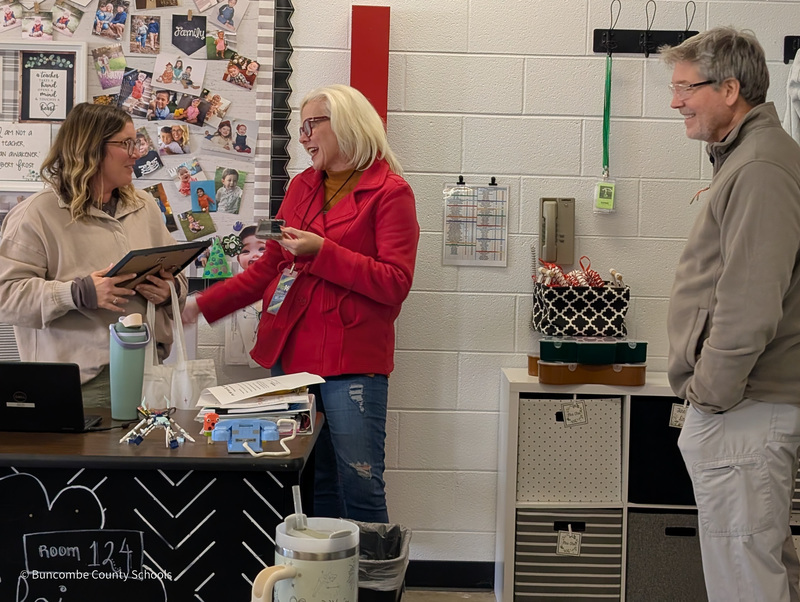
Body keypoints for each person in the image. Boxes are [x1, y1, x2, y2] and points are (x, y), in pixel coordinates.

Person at [182, 84, 420, 521]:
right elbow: (268, 268)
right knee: (310, 483)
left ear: (347, 125)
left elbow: (395, 282)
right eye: (301, 126)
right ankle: (322, 567)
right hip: (291, 356)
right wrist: (203, 304)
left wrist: (323, 252)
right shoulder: (302, 186)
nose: (303, 136)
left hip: (351, 363)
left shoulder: (390, 192)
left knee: (360, 487)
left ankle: (371, 569)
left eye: (312, 124)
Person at [664, 27, 800, 602]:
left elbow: (749, 302)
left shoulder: (760, 167)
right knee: (759, 567)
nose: (676, 102)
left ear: (729, 89)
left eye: (685, 88)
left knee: (744, 578)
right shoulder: (749, 158)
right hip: (744, 405)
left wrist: (709, 396)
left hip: (743, 406)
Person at [0, 103, 186, 407]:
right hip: (79, 384)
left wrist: (170, 291)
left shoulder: (145, 207)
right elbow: (6, 298)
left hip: (149, 372)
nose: (137, 153)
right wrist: (75, 294)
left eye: (137, 142)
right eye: (126, 144)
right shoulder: (35, 215)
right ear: (90, 149)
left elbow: (175, 273)